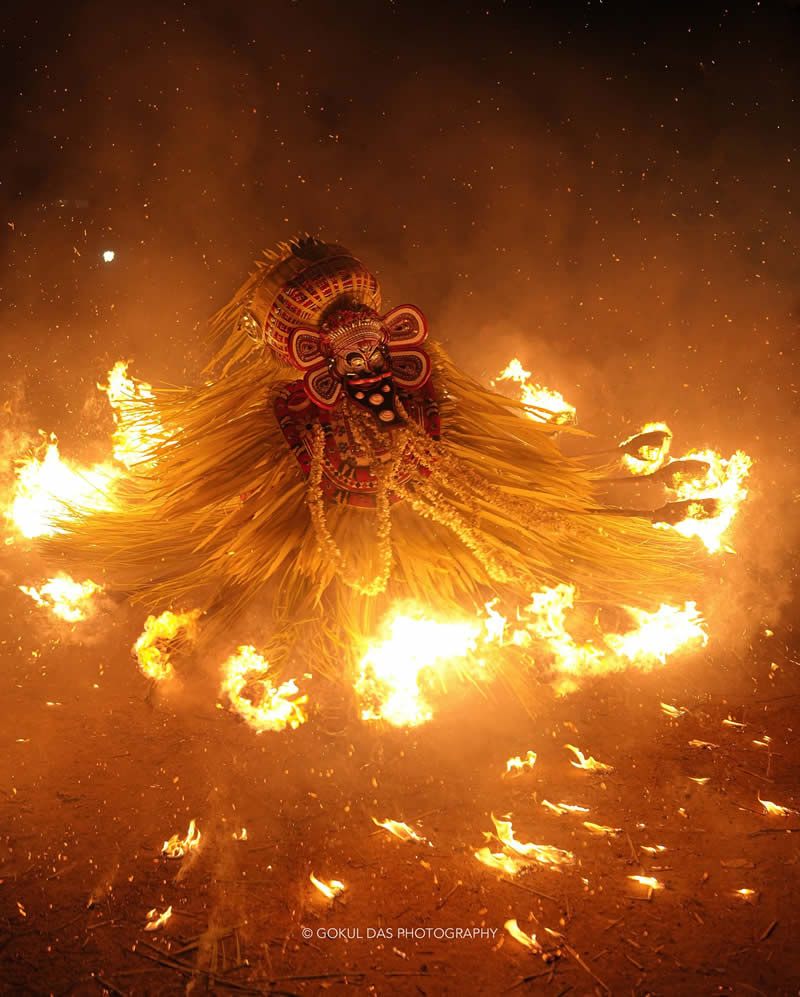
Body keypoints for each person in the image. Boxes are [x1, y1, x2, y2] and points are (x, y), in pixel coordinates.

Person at [46, 236, 701, 679]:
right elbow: (271, 474)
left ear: (395, 342)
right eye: (353, 358)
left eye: (376, 352)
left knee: (484, 556)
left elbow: (452, 439)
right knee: (288, 588)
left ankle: (564, 602)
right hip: (336, 522)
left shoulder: (419, 383)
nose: (368, 365)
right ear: (321, 362)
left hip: (421, 507)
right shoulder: (298, 409)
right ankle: (256, 659)